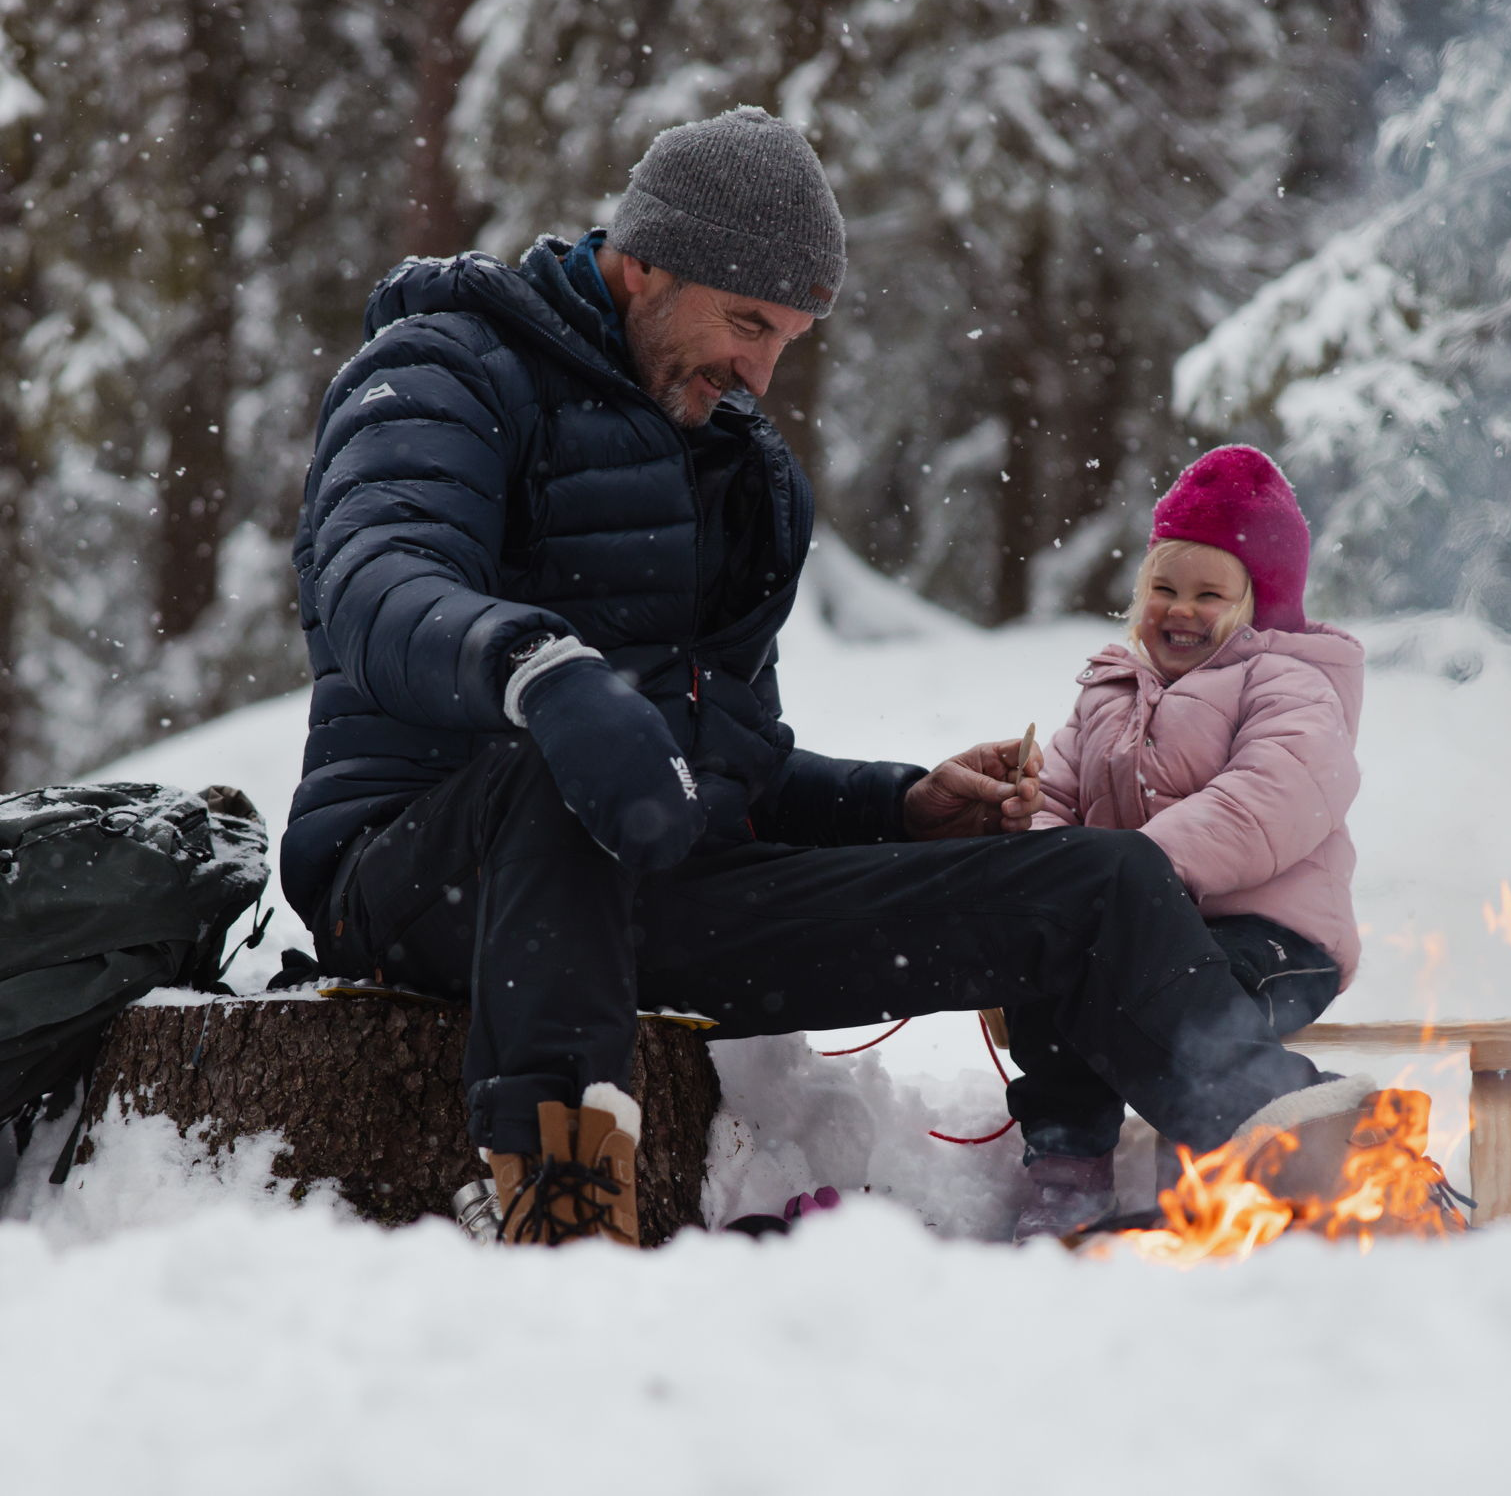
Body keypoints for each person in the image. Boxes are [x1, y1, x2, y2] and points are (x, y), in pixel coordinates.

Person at [285, 106, 1422, 1249]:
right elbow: (378, 575)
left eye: (788, 337)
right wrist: (540, 672)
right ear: (640, 267)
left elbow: (733, 761)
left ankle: (1286, 1150)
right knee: (571, 768)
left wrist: (895, 805)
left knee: (1101, 879)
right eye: (745, 323)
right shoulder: (447, 368)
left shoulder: (740, 468)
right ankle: (556, 1202)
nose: (761, 371)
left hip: (664, 895)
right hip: (421, 876)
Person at [1012, 446, 1461, 1240]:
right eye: (1164, 588)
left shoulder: (1288, 685)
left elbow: (1268, 798)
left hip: (1273, 934)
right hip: (1131, 928)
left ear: (1261, 602)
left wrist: (1132, 873)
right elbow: (1058, 794)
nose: (1180, 609)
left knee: (1196, 1003)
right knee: (1052, 980)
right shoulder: (1109, 691)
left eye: (1209, 593)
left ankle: (1211, 1178)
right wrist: (1040, 869)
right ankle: (1064, 1167)